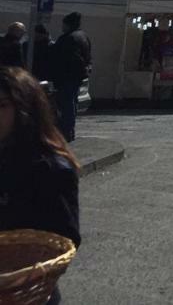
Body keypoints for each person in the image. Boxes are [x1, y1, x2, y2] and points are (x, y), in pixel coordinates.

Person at [0, 67, 80, 305]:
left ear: (26, 110)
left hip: (24, 291)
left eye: (2, 106)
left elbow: (64, 238)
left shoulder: (50, 169)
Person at [51, 13, 91, 143]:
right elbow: (87, 56)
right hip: (77, 76)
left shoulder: (68, 38)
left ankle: (66, 131)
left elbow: (66, 59)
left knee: (66, 104)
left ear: (68, 24)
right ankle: (70, 131)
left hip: (67, 76)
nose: (62, 26)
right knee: (72, 103)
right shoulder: (83, 37)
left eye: (64, 24)